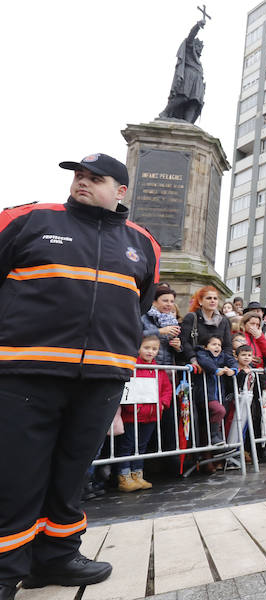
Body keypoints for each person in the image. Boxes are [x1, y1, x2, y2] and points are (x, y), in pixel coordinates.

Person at [0, 153, 160, 596]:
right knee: (16, 474)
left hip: (102, 377)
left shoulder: (143, 242)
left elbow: (138, 302)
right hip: (27, 370)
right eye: (78, 176)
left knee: (72, 471)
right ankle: (5, 569)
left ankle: (57, 556)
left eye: (95, 178)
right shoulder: (28, 219)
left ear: (121, 190)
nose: (82, 182)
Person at [117, 336, 173, 492]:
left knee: (141, 446)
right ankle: (124, 476)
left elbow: (166, 389)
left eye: (154, 349)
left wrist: (163, 403)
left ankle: (137, 475)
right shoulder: (133, 366)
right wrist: (133, 407)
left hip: (152, 414)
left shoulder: (158, 369)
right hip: (133, 414)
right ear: (138, 348)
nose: (150, 351)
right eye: (147, 348)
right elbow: (128, 389)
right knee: (127, 446)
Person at [194, 335, 237, 446]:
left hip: (218, 395)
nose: (217, 347)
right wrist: (215, 370)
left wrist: (233, 370)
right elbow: (205, 362)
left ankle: (215, 438)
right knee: (220, 411)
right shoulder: (202, 353)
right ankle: (213, 436)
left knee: (218, 415)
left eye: (219, 345)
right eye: (214, 344)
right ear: (206, 347)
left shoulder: (222, 356)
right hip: (205, 393)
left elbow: (232, 361)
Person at [178, 286, 232, 371]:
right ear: (200, 301)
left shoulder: (224, 321)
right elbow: (184, 341)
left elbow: (227, 345)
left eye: (215, 298)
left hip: (218, 367)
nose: (212, 301)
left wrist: (226, 364)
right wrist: (193, 360)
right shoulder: (191, 317)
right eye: (209, 298)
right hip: (196, 367)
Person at [141, 285, 182, 366]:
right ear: (154, 301)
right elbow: (136, 336)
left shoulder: (172, 321)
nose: (169, 304)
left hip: (167, 367)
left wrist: (178, 346)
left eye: (172, 301)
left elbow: (176, 350)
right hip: (145, 366)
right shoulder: (143, 316)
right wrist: (160, 331)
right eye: (165, 301)